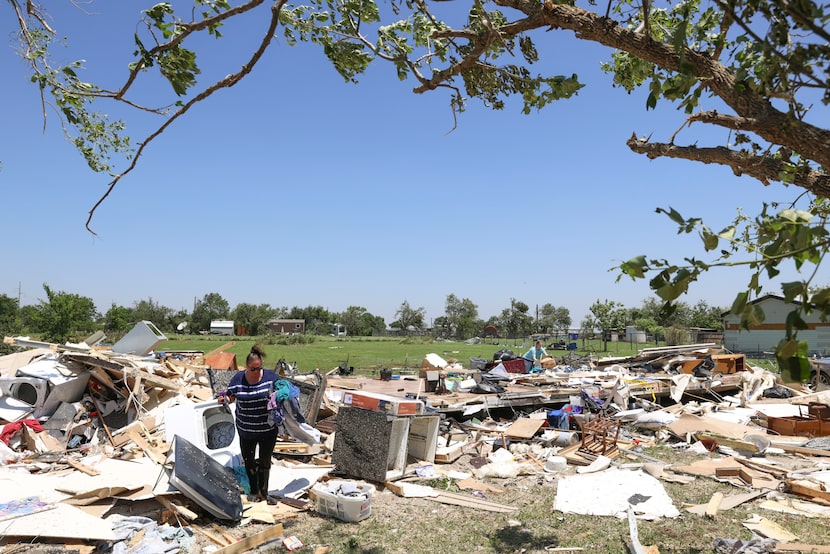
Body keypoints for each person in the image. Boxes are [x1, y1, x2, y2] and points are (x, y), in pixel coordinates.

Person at [222, 344, 279, 504]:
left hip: (268, 429)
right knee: (249, 461)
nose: (257, 372)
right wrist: (224, 399)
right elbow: (230, 396)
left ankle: (264, 493)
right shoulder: (238, 379)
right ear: (246, 367)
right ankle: (254, 491)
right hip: (246, 430)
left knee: (265, 461)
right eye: (253, 369)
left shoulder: (270, 377)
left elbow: (282, 391)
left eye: (259, 368)